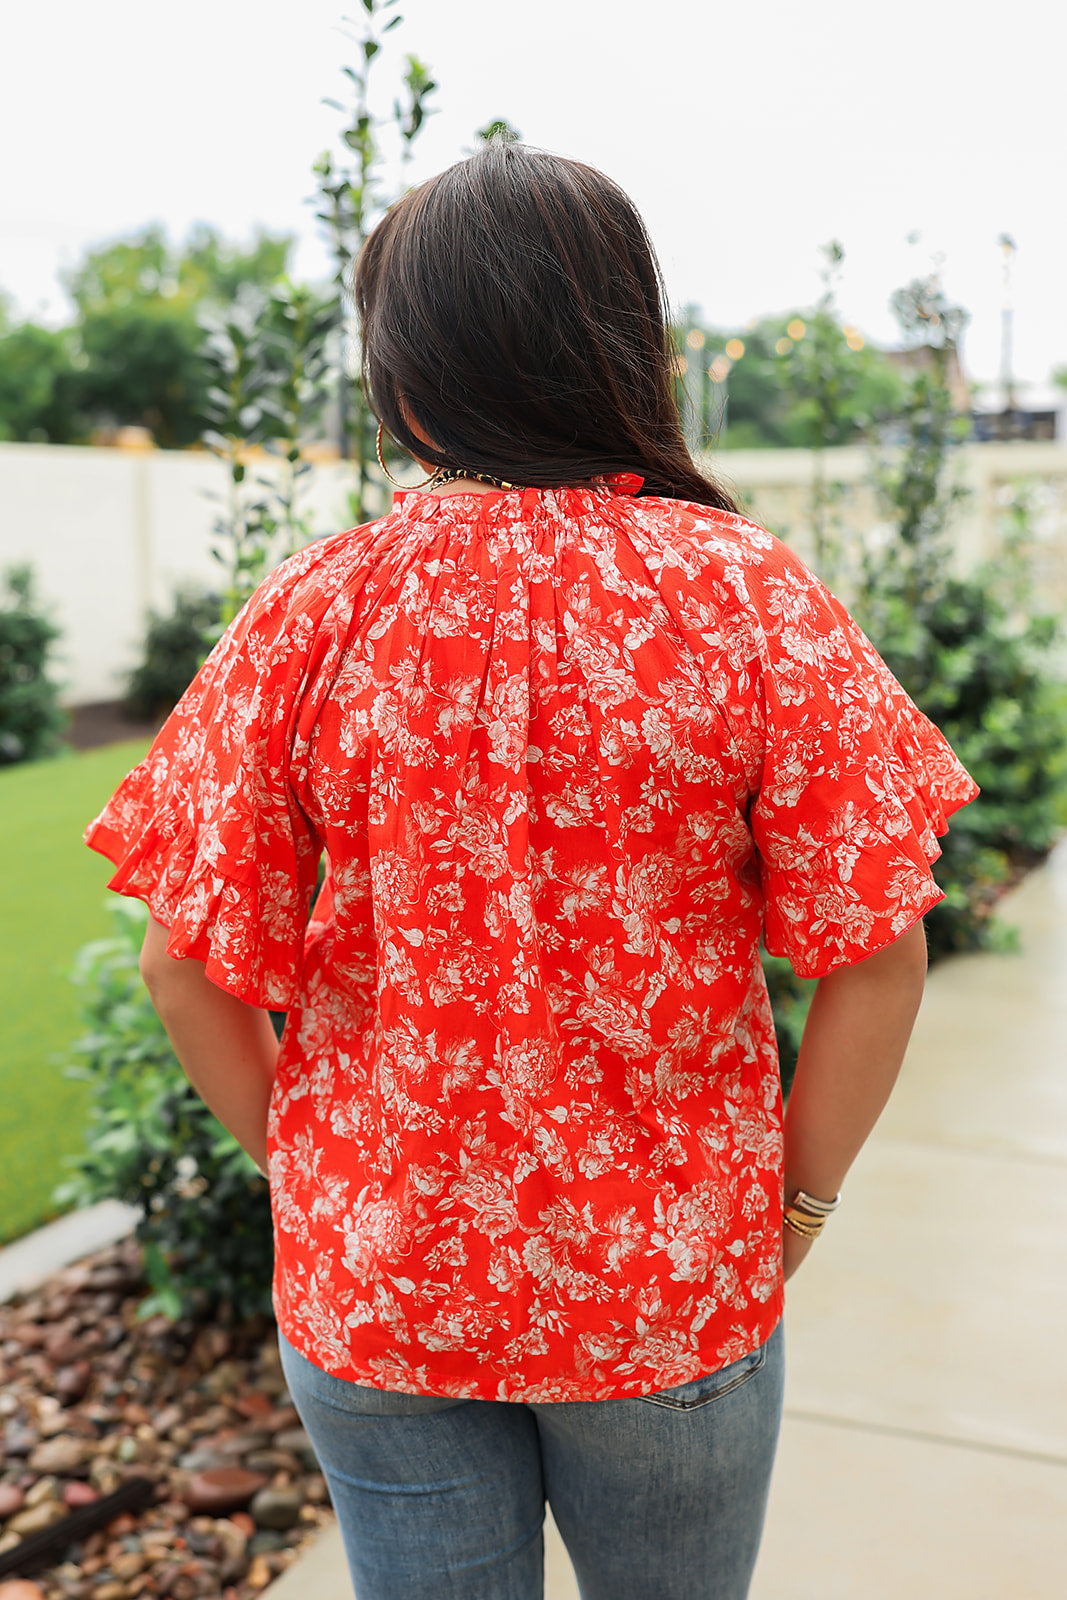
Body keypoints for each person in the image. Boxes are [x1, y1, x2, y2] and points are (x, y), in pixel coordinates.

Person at [85, 141, 978, 1600]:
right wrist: (791, 1215)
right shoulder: (744, 593)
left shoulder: (317, 608)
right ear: (625, 348)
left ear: (409, 378)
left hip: (383, 1287)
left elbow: (183, 968)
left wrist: (323, 1187)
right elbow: (877, 952)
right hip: (668, 1289)